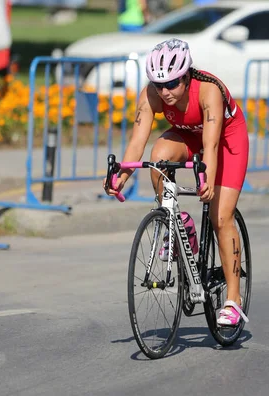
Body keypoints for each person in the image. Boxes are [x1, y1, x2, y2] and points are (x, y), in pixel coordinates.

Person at [103, 38, 250, 326]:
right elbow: (137, 143)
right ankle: (178, 220)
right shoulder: (152, 95)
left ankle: (234, 299)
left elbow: (211, 144)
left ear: (186, 76)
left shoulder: (209, 90)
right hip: (190, 136)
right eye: (159, 85)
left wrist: (205, 177)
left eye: (172, 84)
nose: (165, 91)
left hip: (226, 142)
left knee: (221, 217)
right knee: (159, 155)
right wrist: (121, 176)